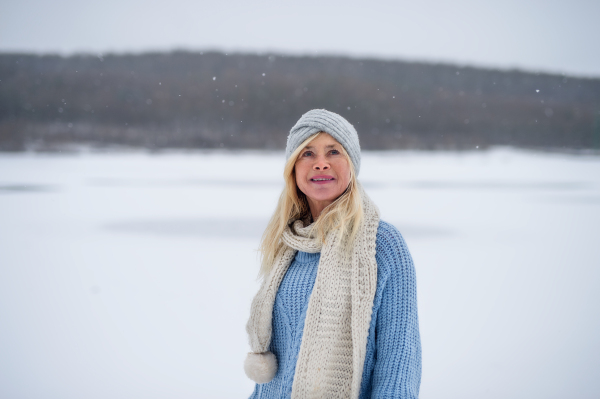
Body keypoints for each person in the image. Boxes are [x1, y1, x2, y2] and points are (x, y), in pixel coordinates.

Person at [244, 109, 421, 398]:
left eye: (334, 152)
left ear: (352, 164)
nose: (321, 164)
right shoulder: (286, 242)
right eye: (308, 153)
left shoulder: (383, 245)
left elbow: (398, 363)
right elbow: (275, 369)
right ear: (293, 168)